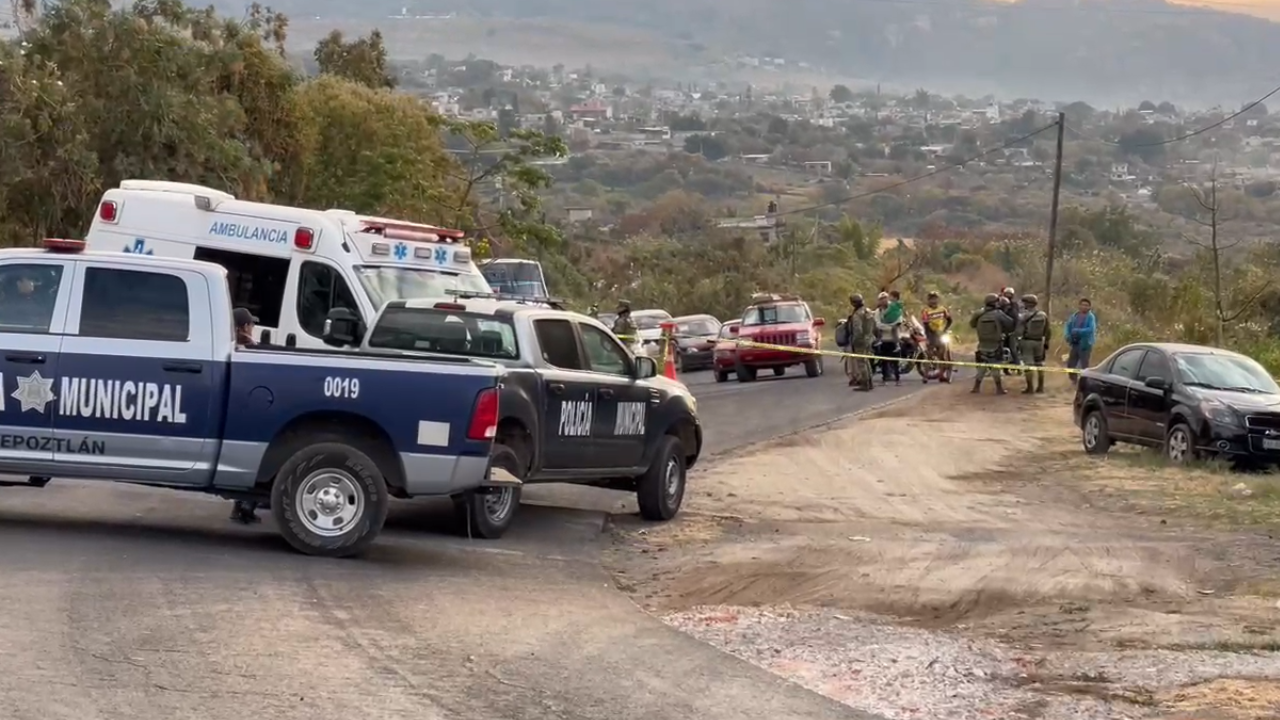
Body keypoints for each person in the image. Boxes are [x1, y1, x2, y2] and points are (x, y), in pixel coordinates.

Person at [969, 293, 1015, 395]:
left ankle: (976, 387)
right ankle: (999, 388)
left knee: (982, 367)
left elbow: (972, 324)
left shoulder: (978, 313)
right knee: (996, 366)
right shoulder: (998, 314)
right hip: (996, 344)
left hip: (982, 344)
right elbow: (1010, 323)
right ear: (996, 303)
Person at [1015, 294, 1050, 394]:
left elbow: (1018, 331)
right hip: (1039, 342)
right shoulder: (1043, 315)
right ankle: (1040, 387)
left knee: (1028, 365)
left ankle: (1030, 388)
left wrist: (1018, 342)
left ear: (1027, 303)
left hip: (1027, 342)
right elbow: (1048, 330)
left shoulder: (1023, 316)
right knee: (1039, 364)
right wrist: (1046, 341)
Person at [844, 293, 876, 391]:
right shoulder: (867, 311)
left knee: (861, 363)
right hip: (868, 339)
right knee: (866, 361)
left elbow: (857, 330)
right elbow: (874, 325)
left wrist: (855, 341)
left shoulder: (857, 314)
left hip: (860, 341)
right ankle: (870, 382)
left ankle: (865, 384)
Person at [920, 291, 953, 380]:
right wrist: (929, 338)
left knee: (942, 355)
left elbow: (950, 320)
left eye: (935, 299)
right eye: (931, 299)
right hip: (931, 334)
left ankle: (941, 375)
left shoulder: (942, 309)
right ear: (928, 300)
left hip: (941, 334)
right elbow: (926, 325)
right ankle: (926, 375)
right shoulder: (925, 311)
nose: (933, 301)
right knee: (929, 355)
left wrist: (945, 330)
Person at [873, 292, 903, 385]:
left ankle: (897, 379)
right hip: (884, 339)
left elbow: (899, 320)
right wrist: (890, 327)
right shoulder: (878, 311)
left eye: (885, 298)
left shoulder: (894, 308)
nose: (884, 301)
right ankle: (884, 379)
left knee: (896, 360)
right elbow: (878, 324)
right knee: (884, 360)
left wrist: (892, 326)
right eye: (881, 299)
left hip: (894, 339)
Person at [1065, 297, 1098, 383]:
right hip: (1074, 343)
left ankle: (1084, 383)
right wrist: (1067, 335)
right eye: (1082, 305)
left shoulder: (1090, 317)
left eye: (1086, 305)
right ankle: (1074, 381)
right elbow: (1067, 326)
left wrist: (1078, 331)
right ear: (1079, 306)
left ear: (1089, 307)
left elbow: (1091, 329)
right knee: (1071, 364)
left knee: (1084, 365)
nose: (1084, 307)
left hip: (1085, 344)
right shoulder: (1074, 316)